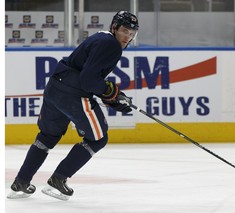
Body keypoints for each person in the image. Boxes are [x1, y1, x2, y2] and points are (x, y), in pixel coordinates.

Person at [7, 11, 139, 200]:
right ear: (114, 27)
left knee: (47, 136)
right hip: (73, 93)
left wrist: (112, 97)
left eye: (132, 33)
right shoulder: (112, 45)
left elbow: (90, 77)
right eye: (125, 31)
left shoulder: (102, 38)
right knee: (98, 139)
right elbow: (88, 80)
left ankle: (21, 181)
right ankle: (58, 179)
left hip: (55, 87)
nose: (128, 37)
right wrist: (113, 94)